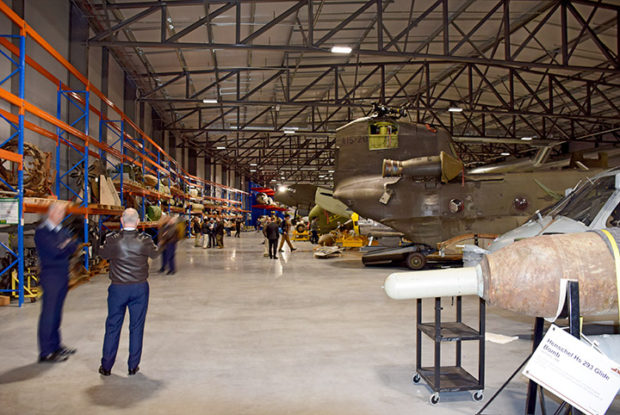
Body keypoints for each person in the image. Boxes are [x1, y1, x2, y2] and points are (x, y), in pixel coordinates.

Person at [98, 208, 159, 376]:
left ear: (122, 221)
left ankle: (107, 366)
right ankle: (133, 366)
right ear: (138, 222)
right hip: (139, 288)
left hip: (118, 287)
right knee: (136, 326)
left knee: (112, 326)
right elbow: (155, 254)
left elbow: (102, 253)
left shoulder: (113, 240)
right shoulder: (145, 240)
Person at [34, 202, 79, 363]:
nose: (62, 215)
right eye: (60, 213)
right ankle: (45, 352)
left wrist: (65, 245)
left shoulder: (61, 230)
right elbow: (55, 251)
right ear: (51, 213)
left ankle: (56, 345)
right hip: (50, 276)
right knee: (49, 313)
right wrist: (64, 246)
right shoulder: (42, 232)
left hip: (62, 274)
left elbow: (73, 246)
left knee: (57, 312)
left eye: (63, 213)